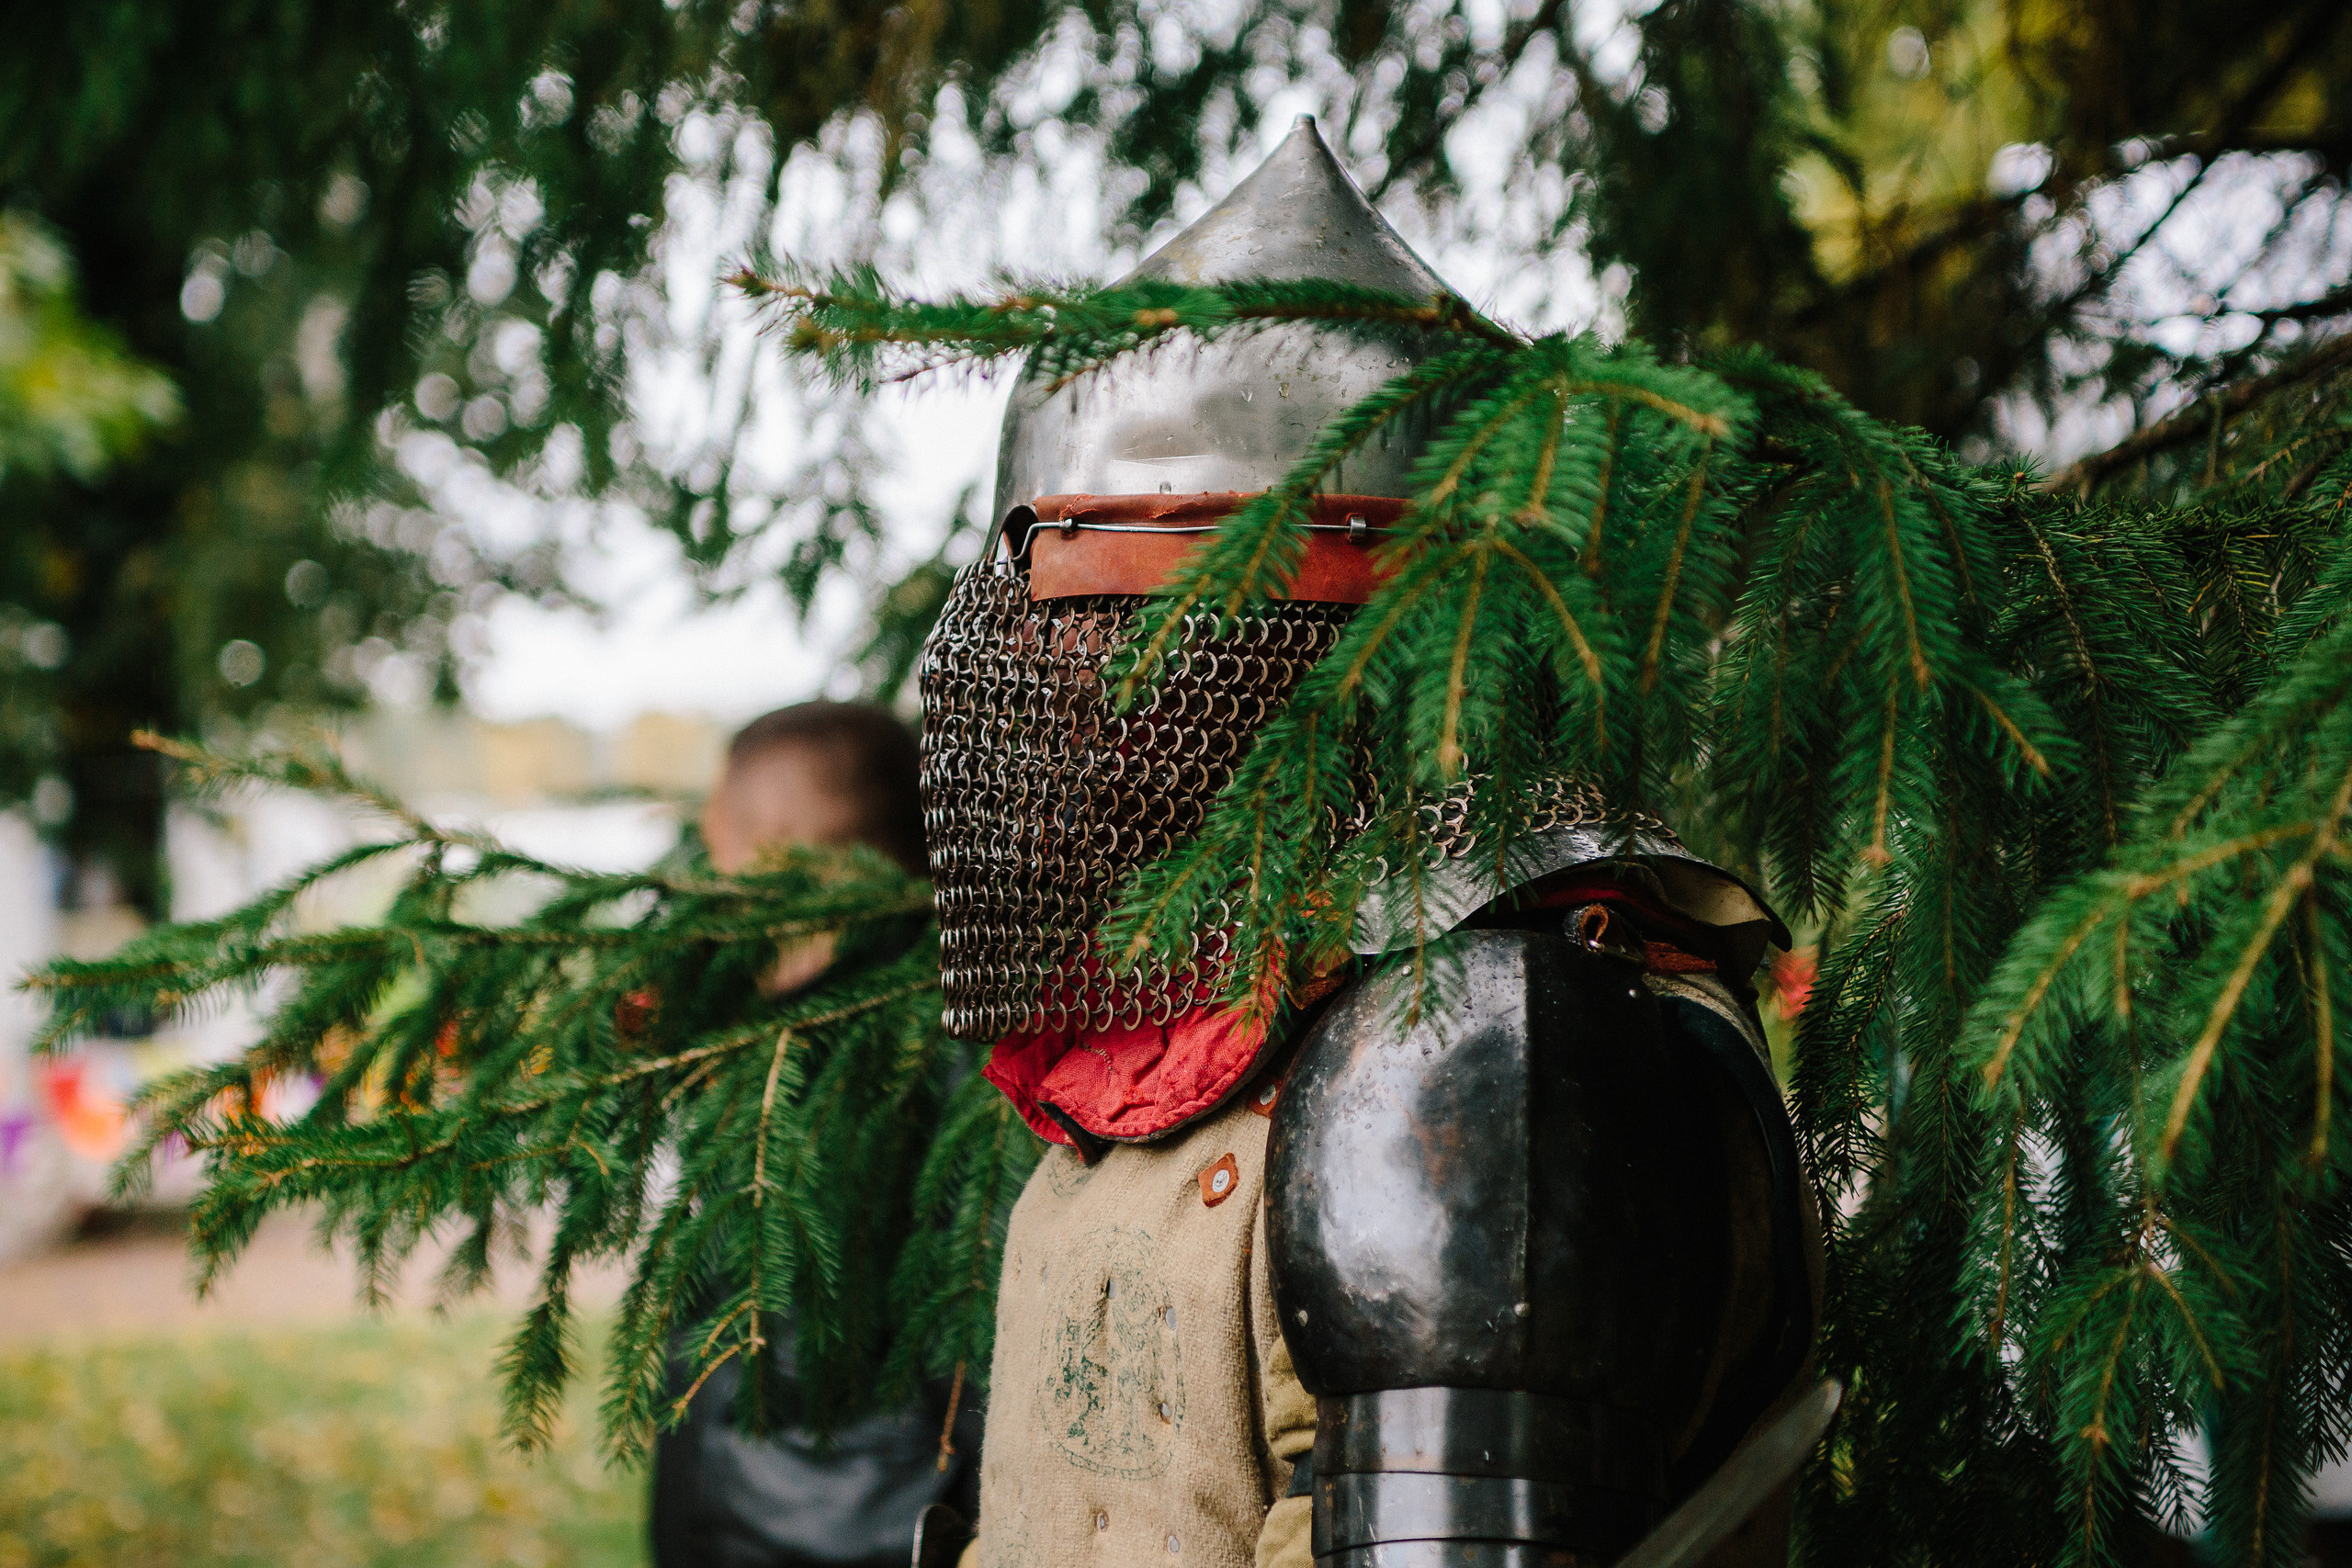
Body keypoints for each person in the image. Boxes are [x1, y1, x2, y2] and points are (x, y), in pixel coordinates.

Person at [915, 116, 1822, 1568]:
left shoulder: (1488, 1049)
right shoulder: (1170, 1027)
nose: (1048, 691)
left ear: (1289, 635)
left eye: (1091, 626)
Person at [651, 699, 979, 1568]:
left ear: (772, 849)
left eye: (716, 833)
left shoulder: (943, 1062)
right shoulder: (768, 1047)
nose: (706, 865)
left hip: (839, 1540)